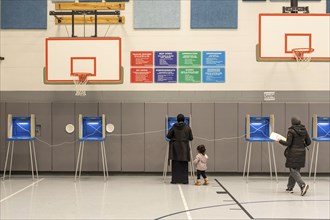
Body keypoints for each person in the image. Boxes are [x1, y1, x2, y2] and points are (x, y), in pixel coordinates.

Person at [278, 116, 311, 196]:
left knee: (293, 170)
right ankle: (290, 187)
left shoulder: (291, 131)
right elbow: (309, 142)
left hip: (293, 153)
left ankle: (302, 185)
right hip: (302, 153)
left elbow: (288, 143)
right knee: (295, 170)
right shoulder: (304, 130)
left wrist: (279, 140)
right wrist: (301, 145)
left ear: (292, 123)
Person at [166, 114, 193, 184]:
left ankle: (175, 180)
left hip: (175, 149)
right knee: (184, 165)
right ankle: (184, 180)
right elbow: (191, 138)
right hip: (184, 149)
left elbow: (168, 136)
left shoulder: (174, 127)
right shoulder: (187, 127)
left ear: (177, 120)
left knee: (175, 165)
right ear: (184, 120)